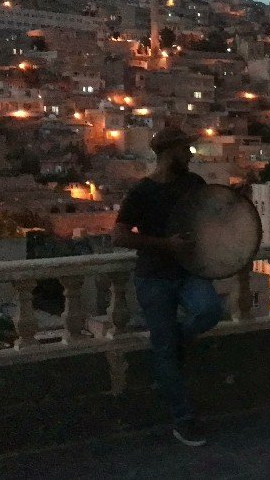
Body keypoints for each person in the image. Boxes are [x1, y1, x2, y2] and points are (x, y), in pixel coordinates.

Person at [112, 127, 223, 447]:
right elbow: (119, 236)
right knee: (164, 351)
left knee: (209, 311)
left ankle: (175, 340)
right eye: (185, 150)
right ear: (169, 153)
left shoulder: (194, 185)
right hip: (154, 277)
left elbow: (209, 218)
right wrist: (165, 244)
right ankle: (183, 419)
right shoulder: (142, 192)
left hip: (188, 271)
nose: (190, 155)